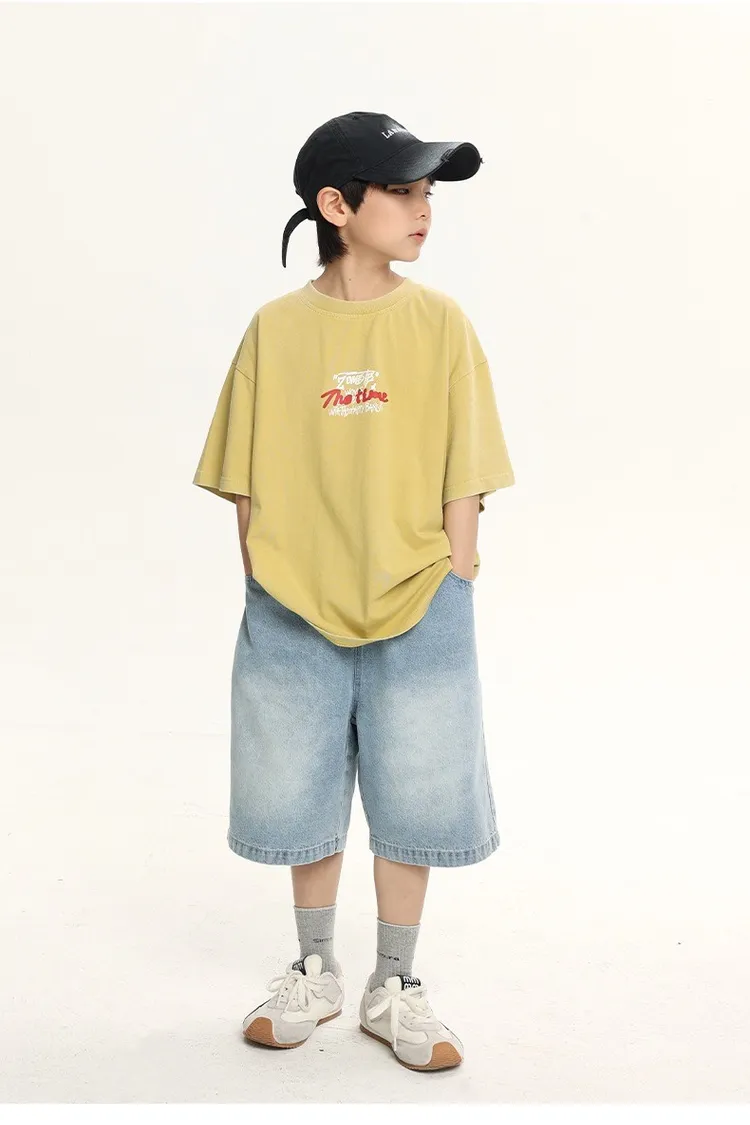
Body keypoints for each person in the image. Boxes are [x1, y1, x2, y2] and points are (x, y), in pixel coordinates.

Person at [192, 111, 516, 1072]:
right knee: (296, 786)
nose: (424, 209)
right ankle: (315, 968)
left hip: (420, 595)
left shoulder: (440, 322)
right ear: (336, 206)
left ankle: (396, 983)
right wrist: (265, 571)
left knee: (419, 788)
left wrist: (457, 566)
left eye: (428, 193)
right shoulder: (276, 329)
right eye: (403, 191)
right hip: (294, 602)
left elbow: (469, 460)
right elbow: (242, 469)